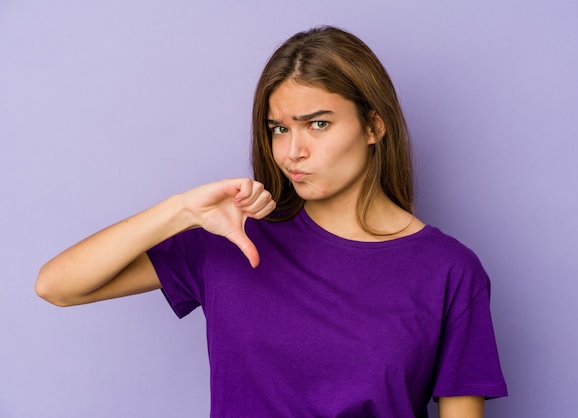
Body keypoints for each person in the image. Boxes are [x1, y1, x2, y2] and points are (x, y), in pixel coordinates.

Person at [36, 26, 507, 417]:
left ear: (373, 126)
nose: (292, 151)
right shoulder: (231, 238)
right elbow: (58, 285)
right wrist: (181, 210)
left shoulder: (449, 270)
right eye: (279, 128)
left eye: (317, 124)